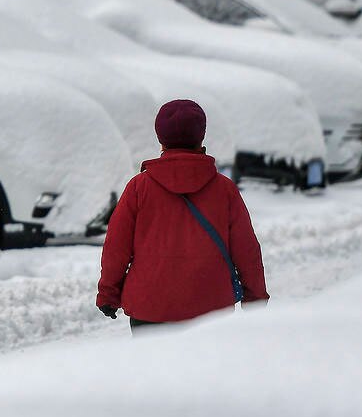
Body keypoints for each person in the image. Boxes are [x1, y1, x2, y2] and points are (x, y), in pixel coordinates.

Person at [96, 99, 269, 333]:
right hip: (212, 310)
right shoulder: (224, 189)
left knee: (154, 370)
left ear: (160, 137)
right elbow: (246, 249)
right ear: (201, 135)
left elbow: (117, 246)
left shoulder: (139, 188)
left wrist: (108, 293)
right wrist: (255, 298)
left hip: (150, 307)